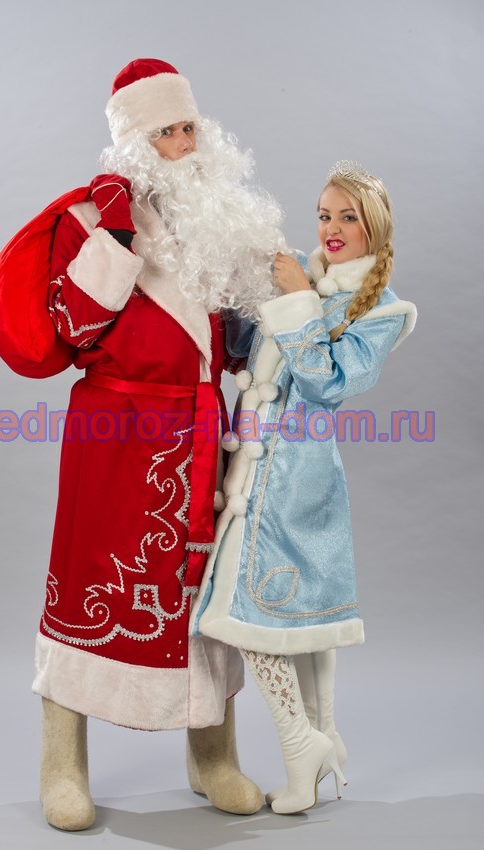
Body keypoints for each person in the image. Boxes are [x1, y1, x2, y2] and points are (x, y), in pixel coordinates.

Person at [31, 58, 288, 830]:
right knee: (91, 586)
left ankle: (212, 758)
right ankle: (61, 765)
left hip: (201, 430)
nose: (184, 144)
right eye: (166, 132)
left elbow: (237, 342)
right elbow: (74, 329)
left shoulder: (216, 219)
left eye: (188, 128)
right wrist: (113, 234)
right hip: (116, 434)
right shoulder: (88, 220)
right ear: (135, 145)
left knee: (202, 594)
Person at [193, 161, 417, 814]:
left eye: (348, 217)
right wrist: (243, 280)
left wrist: (295, 298)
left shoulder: (380, 308)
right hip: (253, 468)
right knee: (299, 621)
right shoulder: (302, 272)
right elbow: (243, 350)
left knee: (256, 614)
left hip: (293, 479)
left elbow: (326, 382)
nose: (331, 228)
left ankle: (300, 745)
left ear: (375, 228)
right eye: (323, 214)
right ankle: (323, 742)